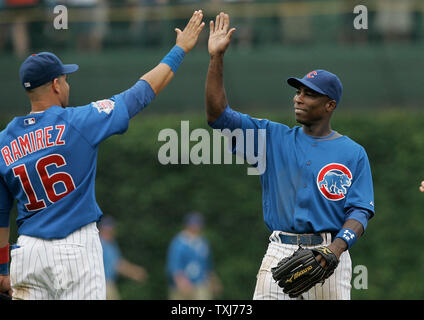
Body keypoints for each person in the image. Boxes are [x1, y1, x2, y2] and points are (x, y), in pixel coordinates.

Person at [0, 10, 205, 300]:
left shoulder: (4, 142)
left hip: (27, 253)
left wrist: (2, 269)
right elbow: (140, 94)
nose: (67, 84)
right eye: (65, 79)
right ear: (57, 84)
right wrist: (179, 49)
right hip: (75, 249)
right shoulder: (78, 121)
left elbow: (1, 215)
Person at [205, 12, 375, 300]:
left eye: (309, 94)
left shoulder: (352, 152)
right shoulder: (271, 137)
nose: (298, 98)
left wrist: (335, 249)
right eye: (298, 91)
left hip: (329, 254)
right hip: (279, 250)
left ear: (330, 105)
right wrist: (216, 59)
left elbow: (360, 211)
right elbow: (218, 115)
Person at [166, 212, 222, 300]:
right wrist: (180, 280)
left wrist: (213, 280)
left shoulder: (203, 242)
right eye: (193, 224)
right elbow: (174, 265)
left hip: (200, 283)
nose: (196, 227)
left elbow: (207, 264)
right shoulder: (179, 243)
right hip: (182, 285)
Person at [99, 216, 147, 300]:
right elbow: (118, 265)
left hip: (108, 284)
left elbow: (119, 261)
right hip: (103, 284)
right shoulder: (101, 244)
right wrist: (134, 273)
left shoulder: (112, 244)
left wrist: (135, 270)